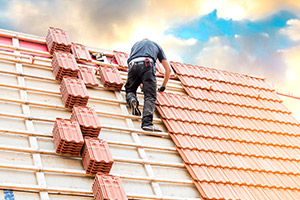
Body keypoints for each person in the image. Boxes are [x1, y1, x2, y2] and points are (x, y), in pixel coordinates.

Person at [125, 38, 171, 132]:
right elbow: (168, 70)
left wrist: (141, 84)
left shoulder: (135, 45)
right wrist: (163, 86)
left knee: (130, 90)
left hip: (132, 65)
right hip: (147, 64)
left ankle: (132, 99)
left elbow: (136, 69)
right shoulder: (157, 46)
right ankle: (147, 123)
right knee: (150, 96)